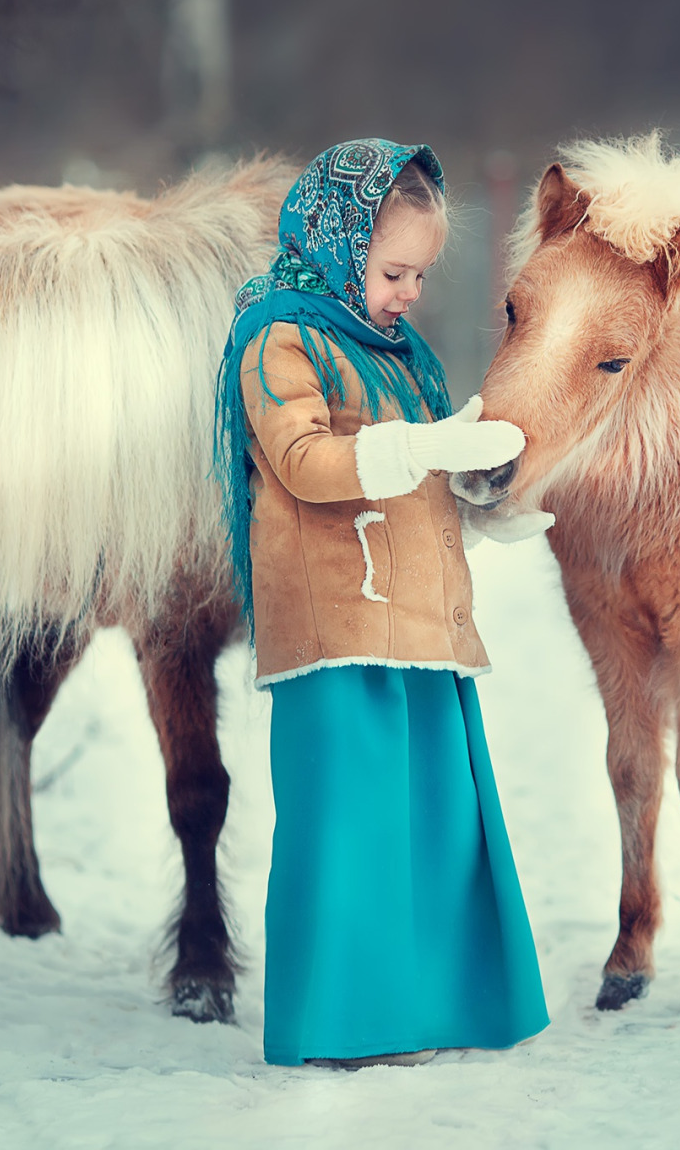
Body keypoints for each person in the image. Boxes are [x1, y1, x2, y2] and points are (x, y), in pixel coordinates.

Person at [216, 139, 551, 1068]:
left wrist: (483, 505)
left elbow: (421, 477)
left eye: (420, 274)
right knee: (352, 830)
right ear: (337, 240)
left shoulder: (400, 355)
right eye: (393, 270)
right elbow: (304, 462)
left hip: (422, 629)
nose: (408, 292)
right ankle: (348, 1024)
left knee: (440, 825)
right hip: (338, 633)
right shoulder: (278, 337)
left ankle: (442, 1005)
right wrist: (423, 449)